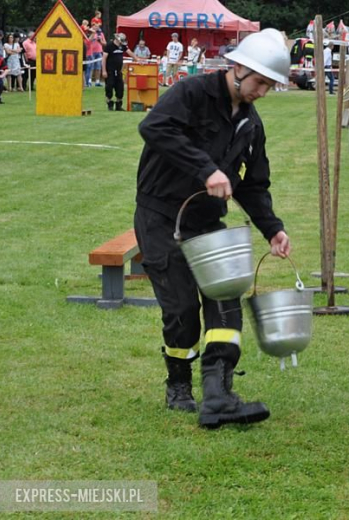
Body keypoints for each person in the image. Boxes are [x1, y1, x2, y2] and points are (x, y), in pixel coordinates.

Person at [134, 29, 291, 429]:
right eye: (259, 82)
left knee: (225, 302)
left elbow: (254, 185)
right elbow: (155, 128)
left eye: (270, 86)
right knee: (183, 308)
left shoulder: (250, 126)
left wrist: (272, 228)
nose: (262, 92)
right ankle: (179, 386)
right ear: (238, 68)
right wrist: (206, 169)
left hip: (206, 223)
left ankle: (219, 396)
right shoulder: (191, 93)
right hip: (161, 218)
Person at [101, 33, 136, 111]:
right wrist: (104, 71)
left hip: (119, 71)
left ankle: (118, 104)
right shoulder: (109, 46)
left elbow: (130, 53)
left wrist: (137, 59)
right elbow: (104, 59)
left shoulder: (123, 46)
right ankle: (109, 103)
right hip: (110, 71)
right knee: (109, 87)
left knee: (120, 88)